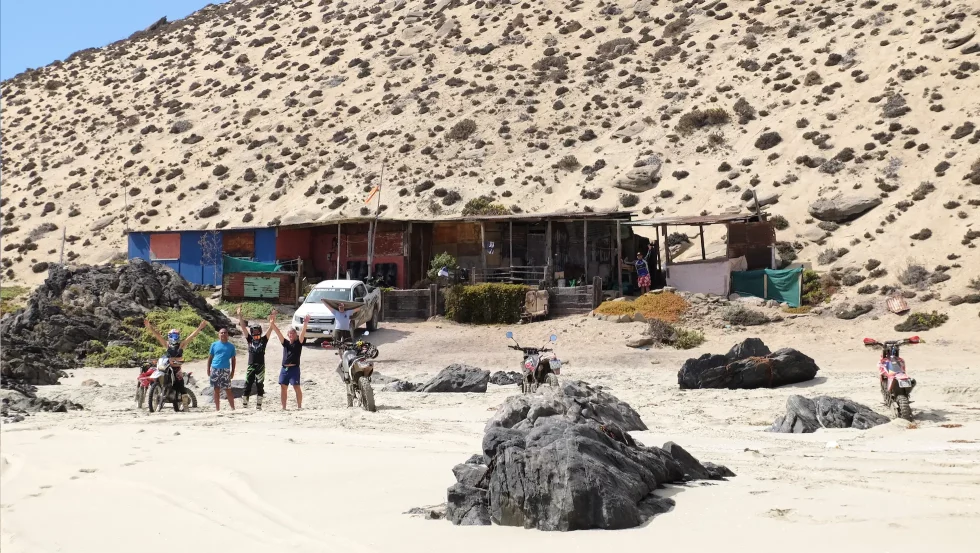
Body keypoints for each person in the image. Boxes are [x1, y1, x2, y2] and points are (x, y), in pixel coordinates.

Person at [144, 319, 208, 411]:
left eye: (176, 335)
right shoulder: (167, 345)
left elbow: (191, 336)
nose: (174, 337)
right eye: (172, 335)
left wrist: (200, 328)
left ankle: (185, 405)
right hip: (166, 367)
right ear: (169, 336)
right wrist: (149, 327)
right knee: (156, 375)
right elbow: (158, 336)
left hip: (176, 368)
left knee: (180, 384)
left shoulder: (181, 345)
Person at [236, 305, 276, 410]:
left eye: (257, 331)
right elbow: (243, 327)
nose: (255, 333)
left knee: (260, 384)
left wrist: (273, 317)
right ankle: (245, 404)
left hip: (260, 366)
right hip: (251, 365)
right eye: (254, 332)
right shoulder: (249, 339)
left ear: (260, 331)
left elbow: (271, 328)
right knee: (248, 383)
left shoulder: (264, 340)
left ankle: (259, 405)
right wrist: (239, 315)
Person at [270, 314, 309, 410]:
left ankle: (299, 406)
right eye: (290, 334)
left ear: (296, 335)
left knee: (296, 387)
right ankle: (283, 407)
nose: (291, 335)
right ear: (288, 335)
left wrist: (305, 323)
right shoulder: (285, 343)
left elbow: (303, 333)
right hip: (284, 369)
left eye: (293, 334)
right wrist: (272, 323)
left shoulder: (298, 343)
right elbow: (278, 333)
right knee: (283, 387)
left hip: (294, 368)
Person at [206, 328, 237, 411]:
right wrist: (208, 370)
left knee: (228, 389)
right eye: (221, 333)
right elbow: (210, 357)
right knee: (216, 389)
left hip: (225, 370)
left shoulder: (231, 346)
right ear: (218, 334)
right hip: (215, 369)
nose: (223, 334)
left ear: (227, 334)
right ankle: (217, 409)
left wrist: (232, 371)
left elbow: (233, 360)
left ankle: (233, 408)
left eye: (225, 333)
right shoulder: (214, 345)